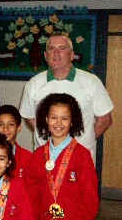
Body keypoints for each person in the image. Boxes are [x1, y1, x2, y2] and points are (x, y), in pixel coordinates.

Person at [20, 32, 113, 163]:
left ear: (72, 54)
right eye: (51, 49)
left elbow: (105, 120)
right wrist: (49, 136)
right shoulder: (33, 84)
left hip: (79, 163)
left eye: (62, 48)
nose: (56, 53)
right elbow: (30, 117)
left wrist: (82, 141)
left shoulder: (91, 82)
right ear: (46, 56)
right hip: (45, 161)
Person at [25, 93, 99, 220]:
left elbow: (90, 197)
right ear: (47, 119)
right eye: (54, 117)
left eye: (64, 118)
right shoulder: (38, 155)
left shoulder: (82, 155)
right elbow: (31, 194)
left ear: (71, 121)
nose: (58, 123)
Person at [0, 105, 32, 179]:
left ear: (18, 128)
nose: (5, 129)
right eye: (1, 124)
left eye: (11, 124)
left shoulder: (28, 158)